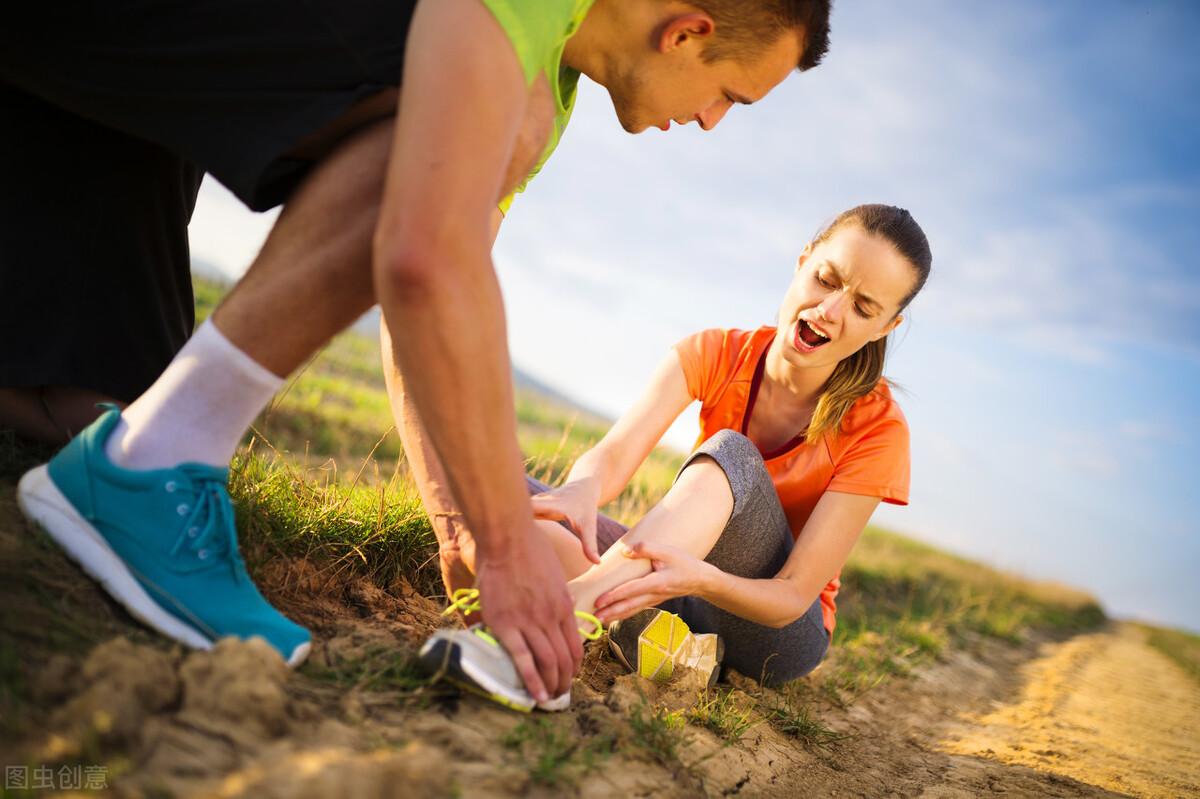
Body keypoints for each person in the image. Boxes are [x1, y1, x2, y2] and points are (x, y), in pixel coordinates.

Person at [4, 0, 833, 708]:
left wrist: (459, 521)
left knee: (88, 397)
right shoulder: (522, 55)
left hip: (87, 89)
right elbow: (425, 254)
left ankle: (142, 446)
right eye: (731, 95)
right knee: (458, 124)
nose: (713, 122)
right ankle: (154, 463)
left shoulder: (551, 78)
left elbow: (429, 293)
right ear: (686, 32)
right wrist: (504, 546)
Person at [417, 203, 932, 709]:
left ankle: (550, 633)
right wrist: (582, 489)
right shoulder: (713, 352)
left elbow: (792, 597)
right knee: (499, 497)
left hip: (773, 633)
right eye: (825, 279)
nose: (831, 311)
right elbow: (615, 454)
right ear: (802, 263)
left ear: (886, 327)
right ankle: (668, 645)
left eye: (864, 308)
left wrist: (700, 578)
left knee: (732, 452)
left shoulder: (880, 428)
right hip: (673, 580)